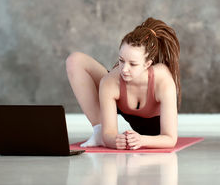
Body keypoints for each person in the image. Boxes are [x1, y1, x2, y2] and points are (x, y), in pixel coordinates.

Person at [66, 17, 181, 150]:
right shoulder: (110, 81)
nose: (124, 69)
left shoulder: (163, 81)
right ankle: (98, 129)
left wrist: (142, 140)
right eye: (121, 60)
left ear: (147, 64)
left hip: (154, 129)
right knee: (74, 60)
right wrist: (113, 140)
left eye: (133, 64)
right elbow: (109, 135)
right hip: (122, 100)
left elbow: (170, 139)